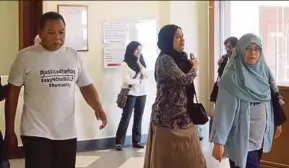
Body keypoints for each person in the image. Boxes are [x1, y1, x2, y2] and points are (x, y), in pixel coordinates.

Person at [4, 11, 107, 168]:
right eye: (51, 33)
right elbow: (12, 94)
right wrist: (9, 130)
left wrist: (98, 107)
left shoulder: (73, 56)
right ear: (40, 32)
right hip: (35, 131)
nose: (58, 37)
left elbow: (86, 86)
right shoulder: (25, 57)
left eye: (62, 32)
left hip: (66, 131)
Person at [211, 33, 282, 168]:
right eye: (248, 48)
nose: (252, 53)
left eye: (256, 49)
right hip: (241, 139)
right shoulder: (232, 77)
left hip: (259, 139)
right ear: (240, 50)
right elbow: (224, 111)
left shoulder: (263, 72)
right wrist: (218, 142)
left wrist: (276, 122)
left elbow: (271, 100)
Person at [143, 24, 206, 168]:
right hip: (167, 121)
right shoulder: (165, 59)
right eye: (177, 36)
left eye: (182, 36)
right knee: (168, 161)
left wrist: (190, 65)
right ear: (167, 39)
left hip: (184, 117)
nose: (182, 40)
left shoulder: (182, 57)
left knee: (192, 159)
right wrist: (195, 67)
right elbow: (183, 80)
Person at [115, 41, 147, 151]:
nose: (138, 52)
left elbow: (146, 74)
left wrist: (138, 62)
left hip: (142, 94)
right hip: (130, 93)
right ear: (131, 49)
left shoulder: (141, 61)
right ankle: (119, 142)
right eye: (136, 50)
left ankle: (136, 141)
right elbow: (126, 80)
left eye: (140, 50)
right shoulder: (125, 64)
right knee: (126, 117)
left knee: (138, 118)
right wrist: (138, 81)